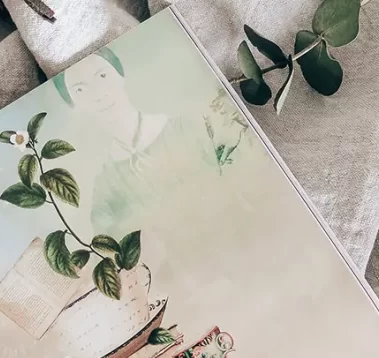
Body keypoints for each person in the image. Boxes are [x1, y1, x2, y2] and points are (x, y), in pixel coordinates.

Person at [54, 47, 249, 237]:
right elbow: (109, 243)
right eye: (80, 90)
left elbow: (243, 176)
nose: (98, 94)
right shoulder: (106, 185)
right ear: (75, 106)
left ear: (122, 76)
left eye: (102, 76)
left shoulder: (190, 127)